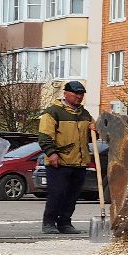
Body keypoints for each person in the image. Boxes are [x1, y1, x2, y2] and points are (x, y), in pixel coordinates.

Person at [37, 80, 95, 235]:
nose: (79, 96)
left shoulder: (85, 114)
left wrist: (95, 129)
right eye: (76, 93)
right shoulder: (53, 112)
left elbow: (93, 134)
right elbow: (44, 136)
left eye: (81, 93)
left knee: (72, 195)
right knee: (57, 193)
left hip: (80, 162)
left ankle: (65, 222)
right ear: (66, 94)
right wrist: (52, 153)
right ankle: (49, 222)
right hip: (60, 161)